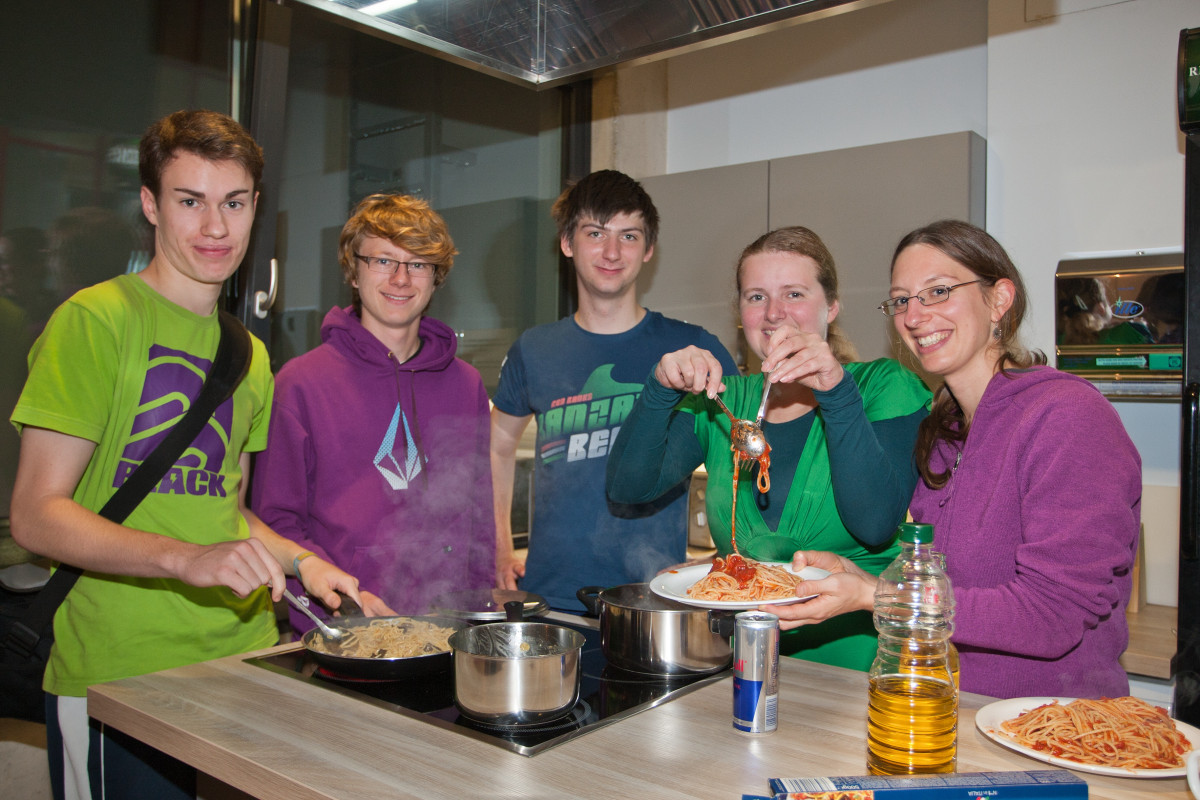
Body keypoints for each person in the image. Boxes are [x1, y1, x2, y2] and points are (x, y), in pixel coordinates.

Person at [9, 109, 365, 800]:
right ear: (150, 204)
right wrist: (185, 560)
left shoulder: (249, 354)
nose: (215, 228)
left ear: (255, 208)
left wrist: (305, 563)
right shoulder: (95, 321)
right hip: (119, 675)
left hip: (245, 662)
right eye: (190, 201)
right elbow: (36, 514)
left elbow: (226, 511)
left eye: (234, 203)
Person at [779, 220, 1141, 700]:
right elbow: (956, 592)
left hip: (1048, 723)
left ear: (999, 299)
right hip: (950, 710)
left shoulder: (1067, 416)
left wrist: (877, 596)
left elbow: (1053, 614)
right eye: (901, 300)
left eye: (939, 291)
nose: (914, 316)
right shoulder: (944, 431)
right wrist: (862, 580)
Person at [606, 226, 931, 670]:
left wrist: (836, 393)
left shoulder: (882, 386)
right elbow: (628, 487)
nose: (775, 313)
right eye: (756, 297)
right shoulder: (722, 401)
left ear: (832, 306)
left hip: (861, 670)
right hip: (745, 663)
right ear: (741, 314)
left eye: (794, 294)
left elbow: (875, 525)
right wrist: (660, 388)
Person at [490, 169, 738, 611]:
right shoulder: (534, 349)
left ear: (648, 250)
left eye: (629, 236)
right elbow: (497, 447)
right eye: (595, 233)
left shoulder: (691, 348)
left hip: (656, 599)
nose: (611, 252)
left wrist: (730, 553)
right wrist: (501, 548)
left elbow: (741, 450)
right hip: (549, 598)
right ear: (567, 243)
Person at [252, 193, 495, 629]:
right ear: (353, 270)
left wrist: (482, 618)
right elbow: (277, 522)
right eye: (383, 260)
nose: (401, 278)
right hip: (342, 630)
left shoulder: (466, 384)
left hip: (447, 631)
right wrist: (344, 603)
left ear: (436, 277)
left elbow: (478, 521)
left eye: (418, 264)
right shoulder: (300, 384)